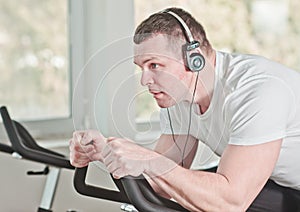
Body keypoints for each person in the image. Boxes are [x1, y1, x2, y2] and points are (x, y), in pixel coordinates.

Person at [69, 7, 300, 211]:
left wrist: (150, 160)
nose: (145, 80)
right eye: (142, 68)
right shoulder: (179, 97)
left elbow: (230, 203)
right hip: (280, 185)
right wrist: (106, 151)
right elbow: (161, 185)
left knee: (214, 197)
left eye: (155, 65)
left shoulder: (256, 90)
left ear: (194, 59)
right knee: (195, 194)